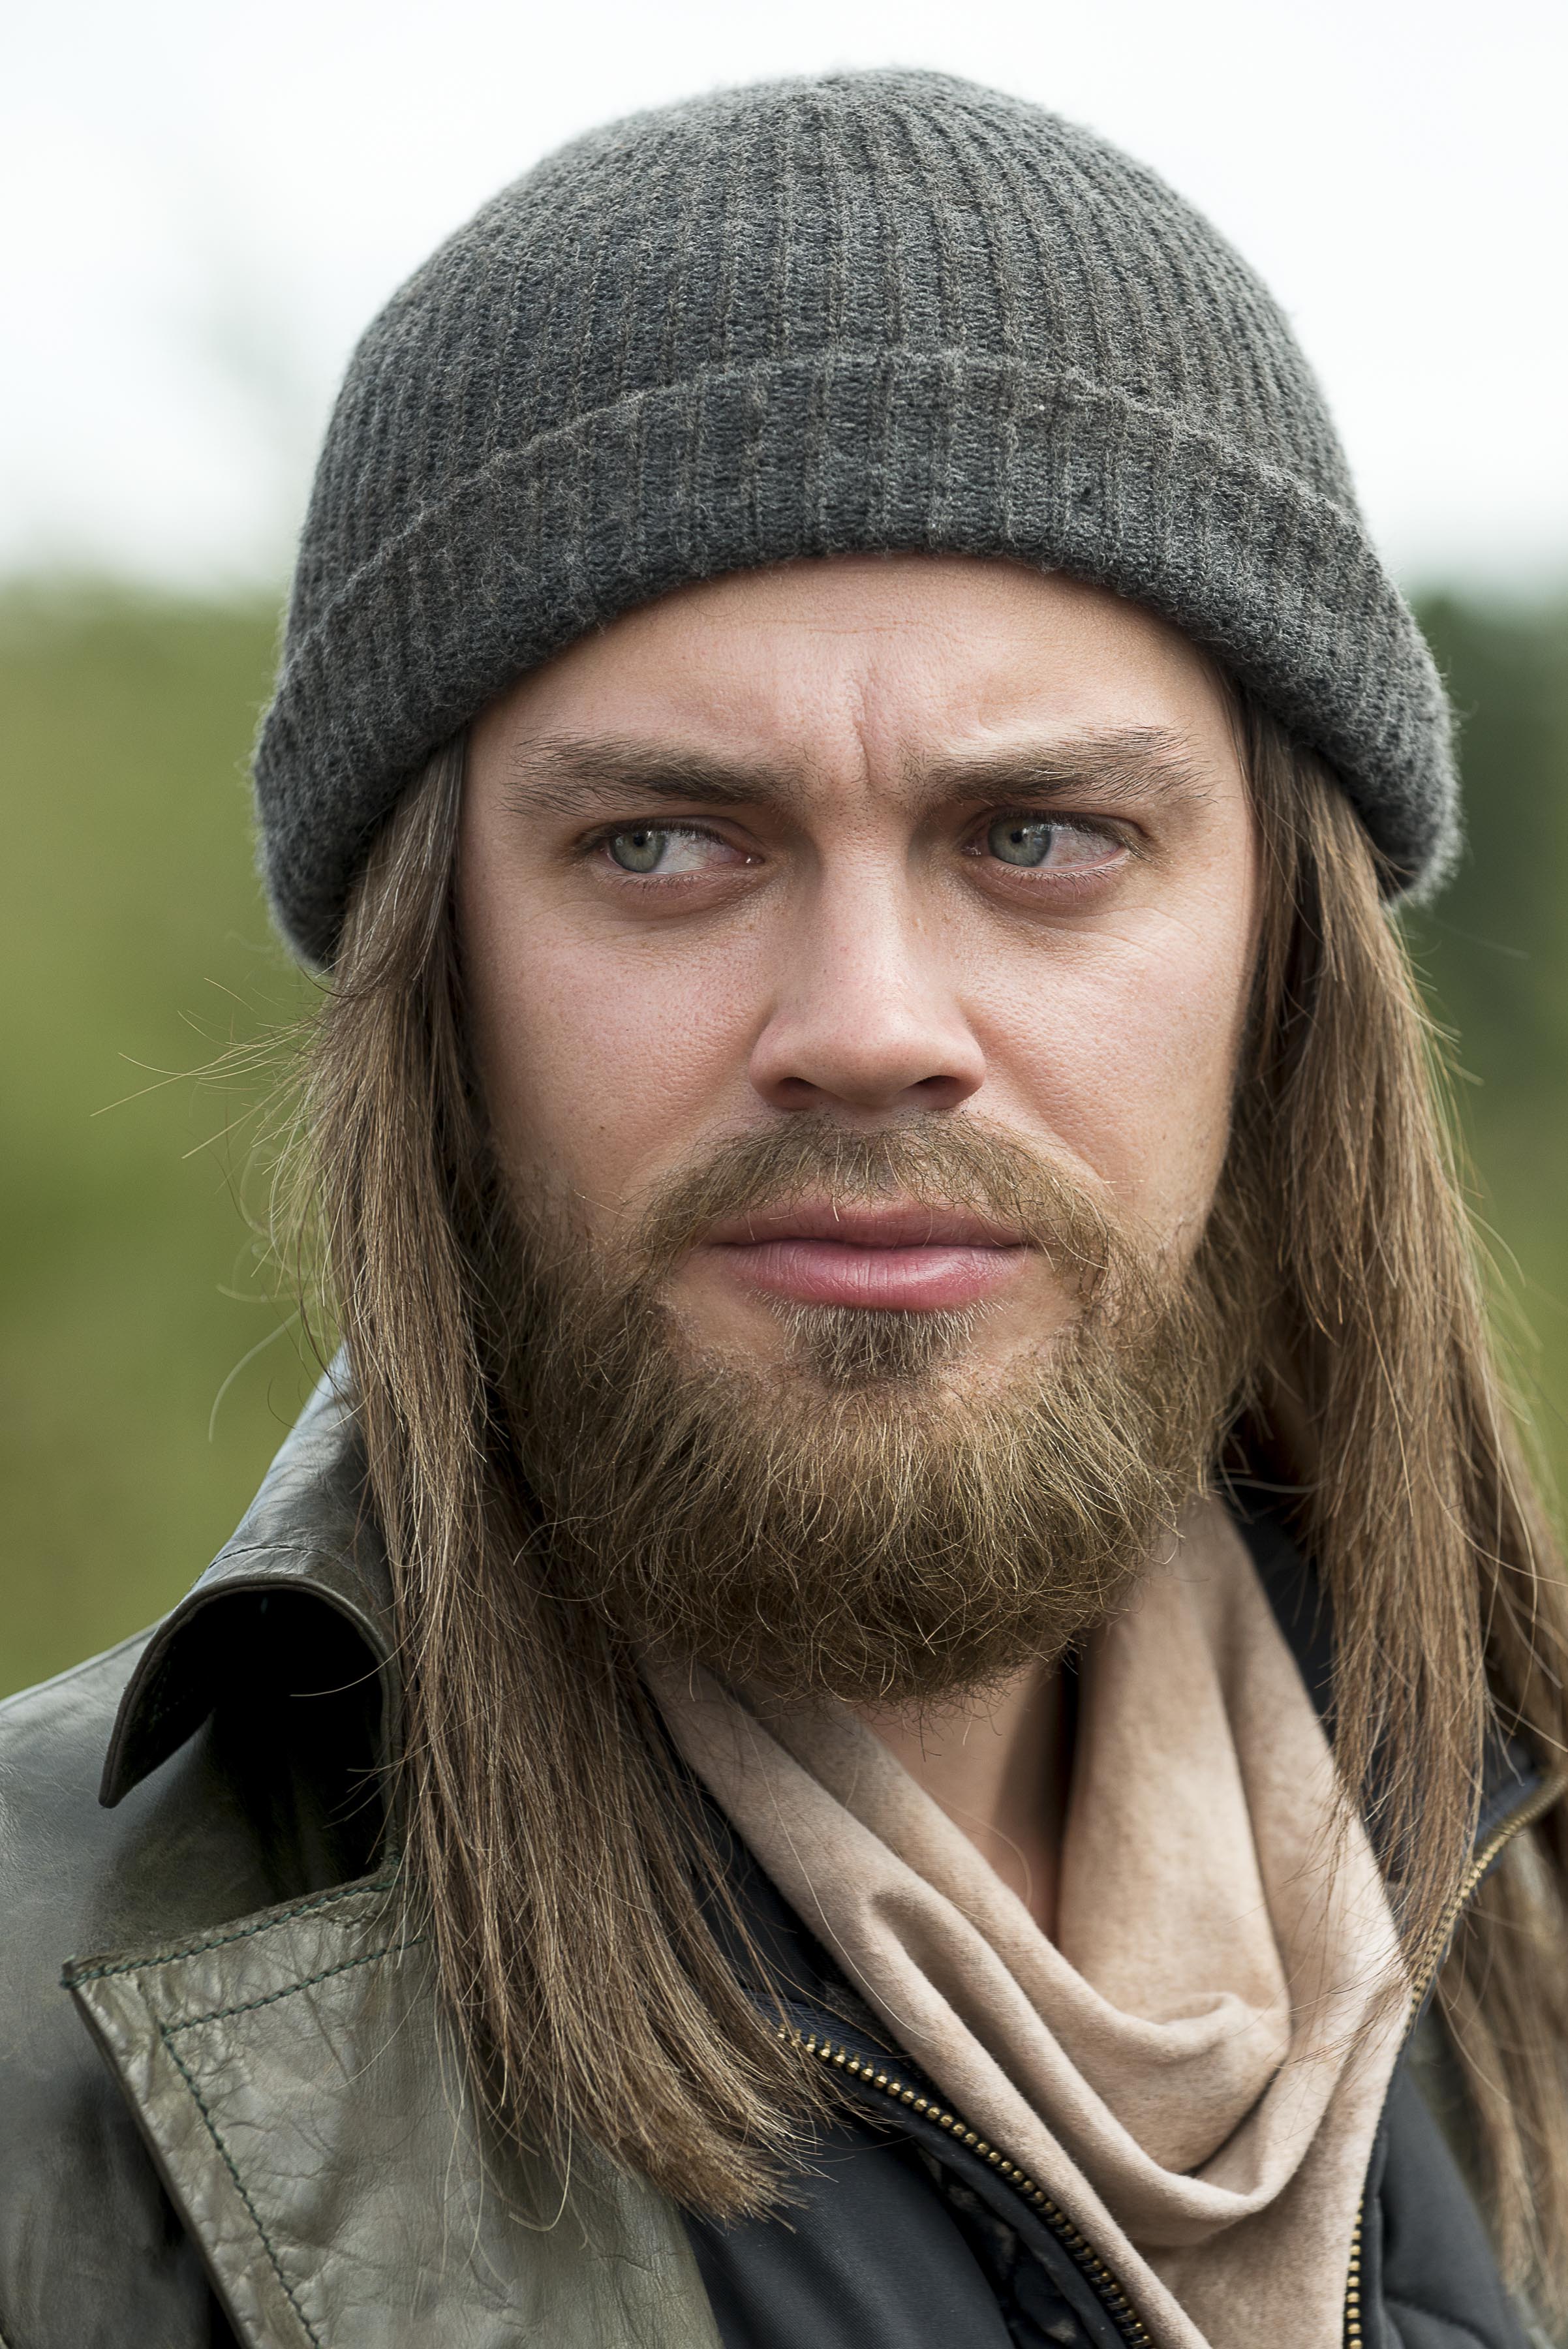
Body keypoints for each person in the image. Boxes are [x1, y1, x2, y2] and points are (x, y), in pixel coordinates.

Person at [2, 67, 1565, 2349]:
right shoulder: (41, 2064)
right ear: (436, 988)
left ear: (1284, 977)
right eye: (659, 845)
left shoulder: (1523, 1940)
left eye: (1040, 838)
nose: (865, 1023)